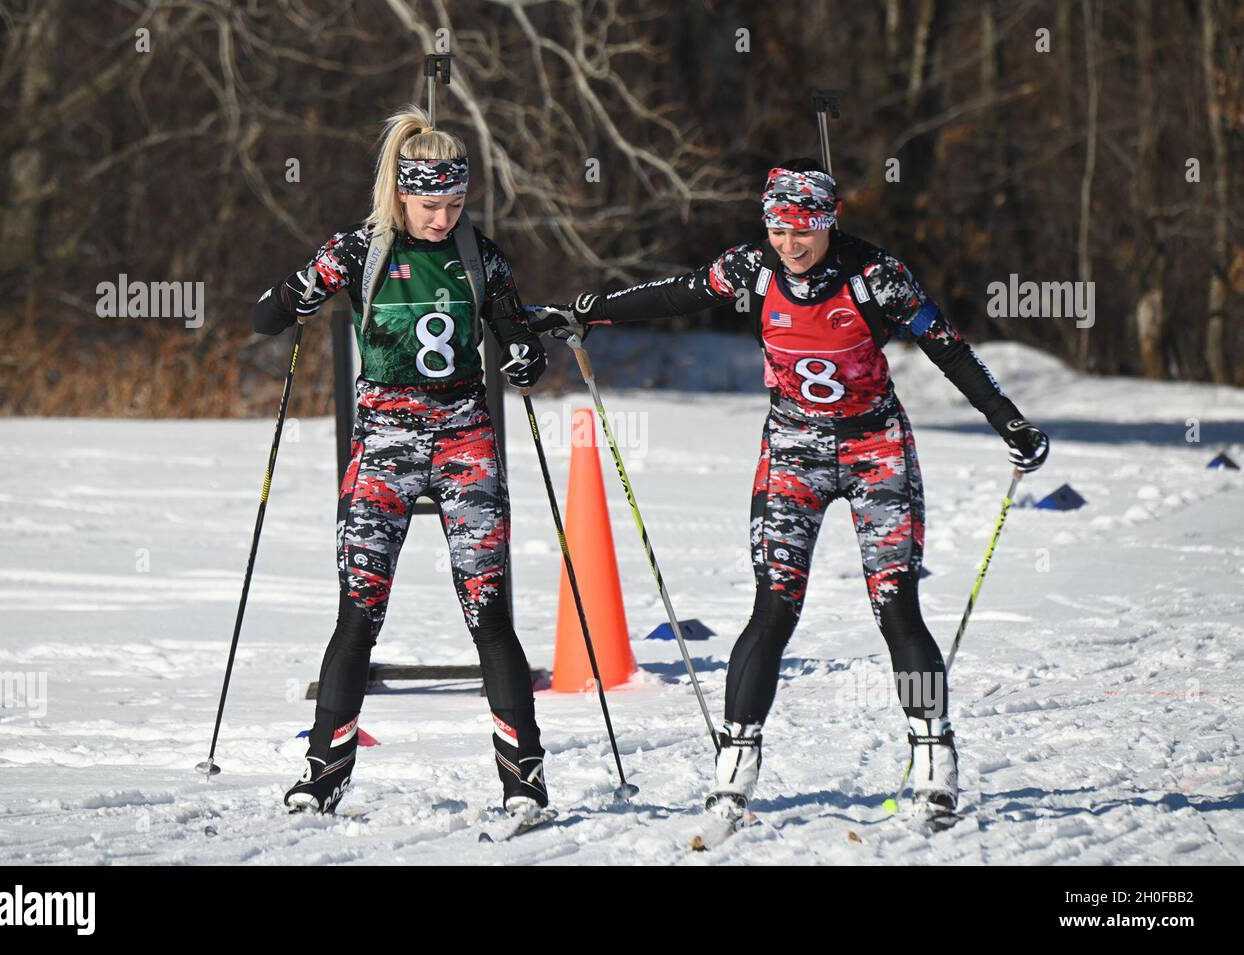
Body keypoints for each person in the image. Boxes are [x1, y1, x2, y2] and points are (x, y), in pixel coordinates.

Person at [529, 159, 1049, 822]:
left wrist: (1007, 419)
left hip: (875, 447)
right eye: (778, 228)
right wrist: (589, 312)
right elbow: (679, 294)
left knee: (896, 607)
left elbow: (946, 345)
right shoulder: (752, 268)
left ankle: (934, 760)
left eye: (802, 229)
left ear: (829, 222)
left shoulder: (876, 276)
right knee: (773, 608)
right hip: (792, 450)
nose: (789, 243)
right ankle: (735, 768)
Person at [252, 105, 551, 822]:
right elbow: (269, 313)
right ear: (400, 194)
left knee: (489, 611)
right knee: (359, 611)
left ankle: (524, 779)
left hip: (463, 440)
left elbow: (524, 349)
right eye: (429, 205)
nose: (442, 218)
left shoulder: (484, 257)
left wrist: (522, 355)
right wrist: (288, 297)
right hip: (383, 441)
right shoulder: (359, 251)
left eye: (454, 204)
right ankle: (322, 773)